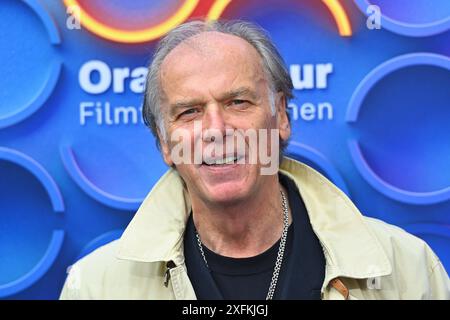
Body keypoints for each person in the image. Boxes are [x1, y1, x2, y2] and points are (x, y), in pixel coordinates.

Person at [60, 20, 449, 300]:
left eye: (238, 102)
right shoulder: (96, 286)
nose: (216, 128)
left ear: (280, 116)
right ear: (165, 143)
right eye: (189, 112)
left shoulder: (407, 267)